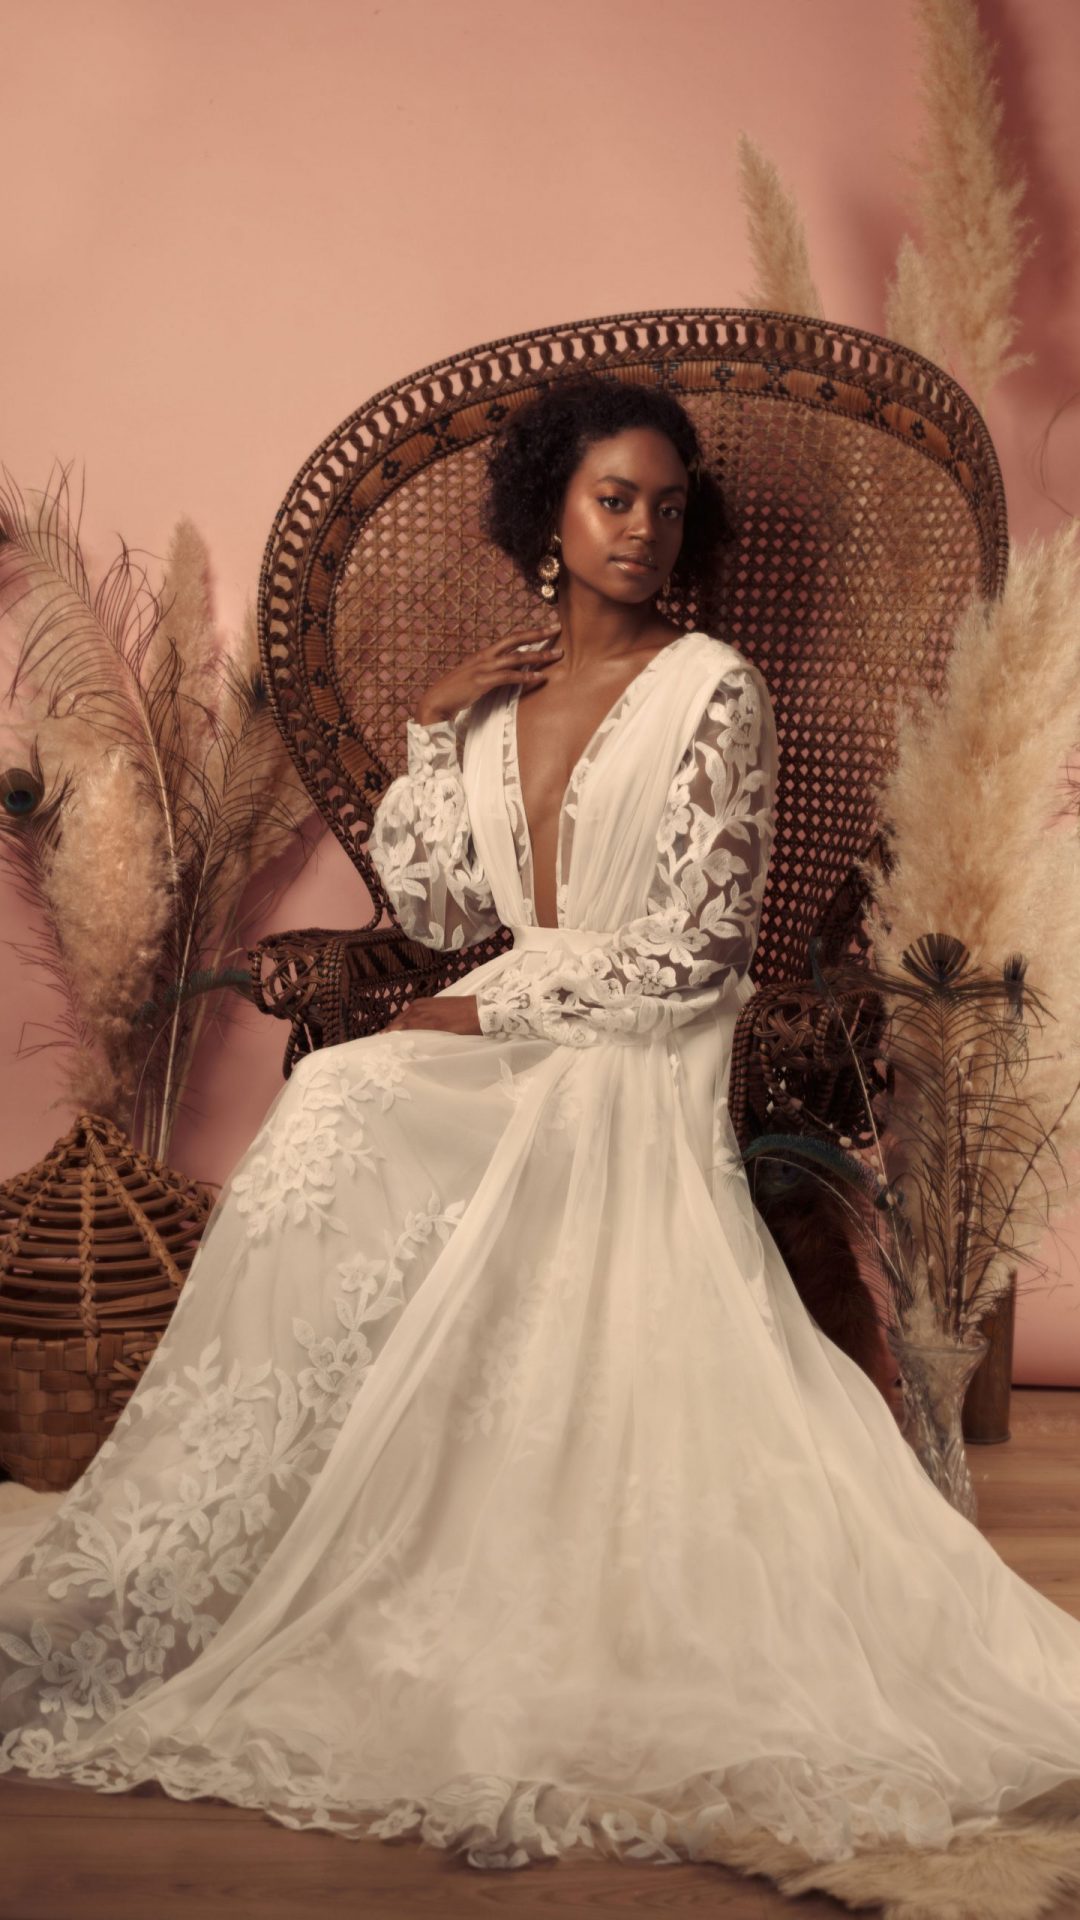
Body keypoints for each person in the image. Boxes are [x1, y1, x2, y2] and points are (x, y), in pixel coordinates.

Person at [2, 372, 1080, 1901]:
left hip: (633, 1057)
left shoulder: (715, 688)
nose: (643, 531)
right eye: (612, 501)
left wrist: (483, 1020)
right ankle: (221, 1533)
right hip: (514, 1026)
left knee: (365, 1084)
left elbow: (698, 953)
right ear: (552, 523)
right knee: (337, 1099)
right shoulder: (496, 707)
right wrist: (441, 736)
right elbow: (447, 916)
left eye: (664, 504)